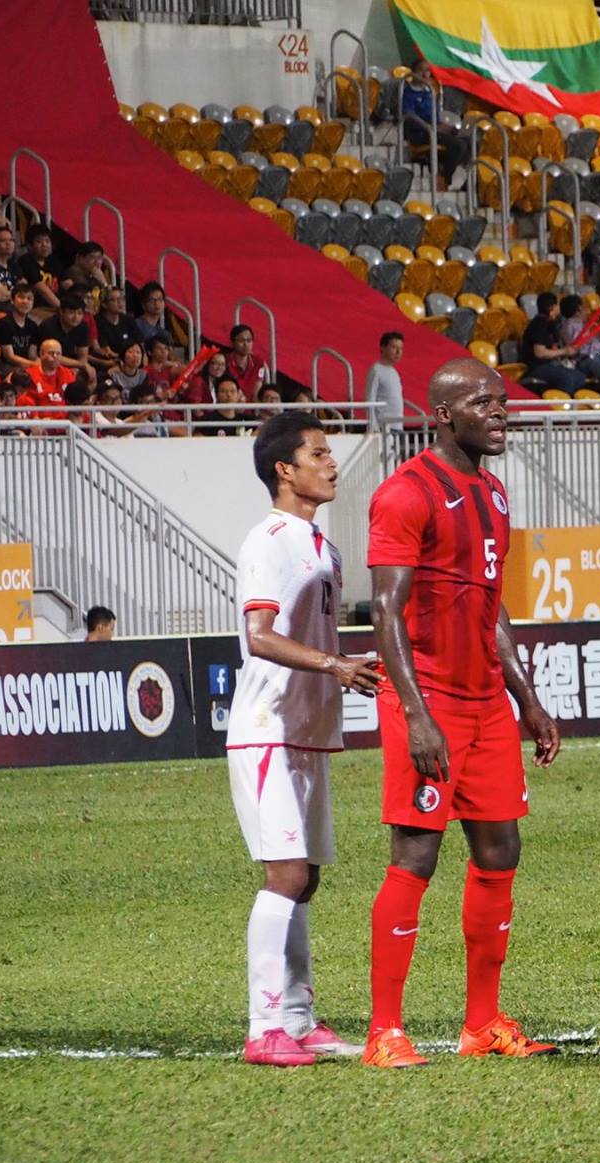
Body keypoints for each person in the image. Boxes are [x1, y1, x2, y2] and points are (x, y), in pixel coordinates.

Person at [362, 360, 563, 1068]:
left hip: (484, 703)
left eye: (503, 401)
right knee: (416, 854)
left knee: (499, 849)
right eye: (484, 403)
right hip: (426, 698)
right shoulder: (405, 493)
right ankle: (384, 1030)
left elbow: (492, 608)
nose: (500, 412)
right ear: (443, 414)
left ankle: (482, 1022)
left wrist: (527, 696)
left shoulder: (495, 493)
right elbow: (383, 611)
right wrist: (416, 714)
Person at [228, 413, 384, 1065]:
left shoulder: (324, 547)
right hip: (268, 732)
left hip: (308, 733)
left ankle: (297, 1017)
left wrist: (344, 669)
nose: (332, 462)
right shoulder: (269, 539)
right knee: (285, 873)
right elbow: (259, 635)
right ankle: (264, 1025)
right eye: (318, 453)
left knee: (307, 877)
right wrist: (334, 666)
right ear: (284, 469)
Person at [365, 330, 404, 427]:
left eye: (401, 348)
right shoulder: (376, 370)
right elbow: (370, 398)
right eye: (394, 347)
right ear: (382, 348)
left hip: (398, 425)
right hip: (383, 426)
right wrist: (373, 426)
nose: (398, 352)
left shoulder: (394, 372)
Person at [225, 324, 269, 397]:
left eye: (249, 340)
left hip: (251, 406)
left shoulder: (258, 362)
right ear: (232, 343)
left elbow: (257, 390)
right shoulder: (225, 360)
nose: (246, 344)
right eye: (241, 341)